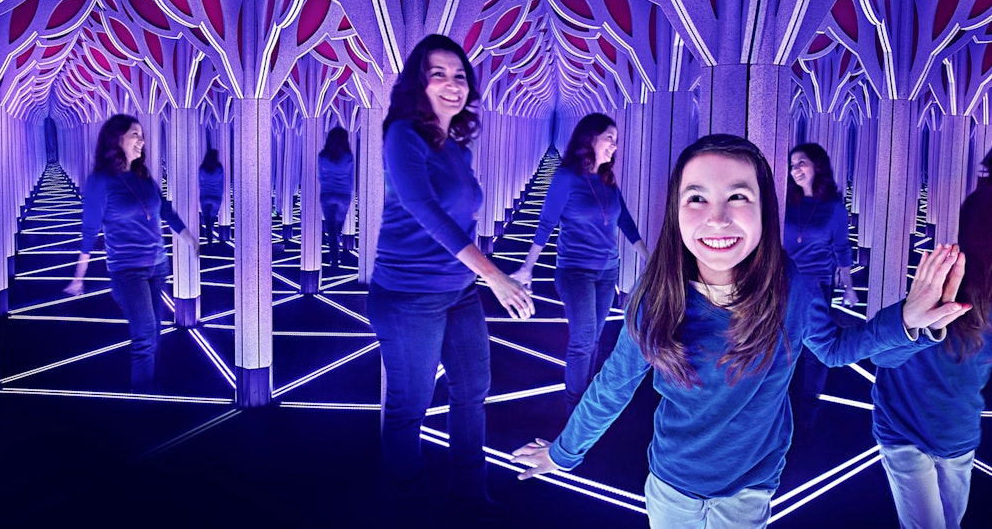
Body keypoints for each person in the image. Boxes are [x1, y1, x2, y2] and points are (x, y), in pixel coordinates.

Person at [511, 134, 969, 528]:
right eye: (697, 198)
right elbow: (612, 387)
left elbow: (833, 349)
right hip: (672, 483)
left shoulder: (791, 288)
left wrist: (907, 322)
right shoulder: (657, 297)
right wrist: (562, 454)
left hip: (749, 489)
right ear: (676, 211)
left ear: (765, 209)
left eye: (738, 196)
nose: (718, 217)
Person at [366, 34, 535, 523]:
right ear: (418, 84)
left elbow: (463, 218)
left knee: (472, 390)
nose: (451, 85)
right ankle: (407, 506)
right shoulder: (402, 134)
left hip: (456, 292)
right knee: (408, 407)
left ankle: (469, 495)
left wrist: (477, 276)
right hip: (407, 295)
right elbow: (424, 209)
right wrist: (496, 277)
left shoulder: (457, 147)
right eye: (438, 74)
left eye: (459, 76)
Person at [871, 147, 992, 529]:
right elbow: (884, 356)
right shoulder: (941, 280)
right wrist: (912, 323)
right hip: (905, 428)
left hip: (958, 432)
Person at [511, 113, 648, 415]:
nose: (615, 144)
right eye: (609, 137)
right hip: (575, 271)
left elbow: (624, 220)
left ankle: (586, 396)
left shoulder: (608, 180)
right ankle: (575, 409)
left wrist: (647, 256)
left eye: (616, 138)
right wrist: (527, 266)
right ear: (590, 138)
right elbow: (546, 222)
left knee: (596, 339)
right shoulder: (566, 178)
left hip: (606, 270)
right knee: (583, 339)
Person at [65, 114, 198, 393]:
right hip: (127, 270)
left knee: (154, 332)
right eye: (135, 134)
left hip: (157, 266)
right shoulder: (100, 182)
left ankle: (152, 388)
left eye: (141, 135)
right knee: (145, 335)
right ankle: (143, 397)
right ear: (117, 139)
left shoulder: (143, 176)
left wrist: (189, 239)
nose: (142, 140)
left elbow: (165, 210)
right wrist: (79, 276)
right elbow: (89, 230)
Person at [784, 142, 858, 406]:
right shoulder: (785, 202)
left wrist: (849, 287)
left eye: (801, 162)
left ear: (817, 165)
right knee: (784, 340)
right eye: (792, 165)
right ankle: (782, 396)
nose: (795, 169)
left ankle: (810, 403)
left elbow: (842, 247)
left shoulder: (834, 207)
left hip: (818, 284)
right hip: (785, 282)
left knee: (815, 346)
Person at [318, 127, 354, 268]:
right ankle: (337, 255)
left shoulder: (322, 155)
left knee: (330, 228)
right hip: (343, 194)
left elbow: (320, 176)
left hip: (327, 194)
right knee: (338, 226)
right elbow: (351, 177)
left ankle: (334, 258)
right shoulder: (348, 156)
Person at [198, 148, 224, 248]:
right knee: (212, 218)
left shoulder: (202, 168)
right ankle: (211, 236)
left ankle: (209, 241)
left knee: (207, 220)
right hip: (216, 197)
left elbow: (200, 183)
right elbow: (221, 183)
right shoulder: (219, 168)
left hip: (205, 196)